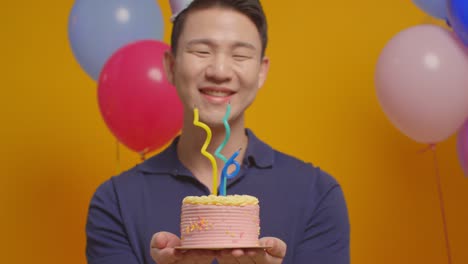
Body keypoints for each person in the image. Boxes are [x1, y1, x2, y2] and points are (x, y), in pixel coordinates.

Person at [85, 0, 350, 263]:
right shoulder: (115, 202)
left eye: (240, 55)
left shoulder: (317, 194)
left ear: (261, 71)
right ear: (171, 65)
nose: (219, 72)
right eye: (201, 51)